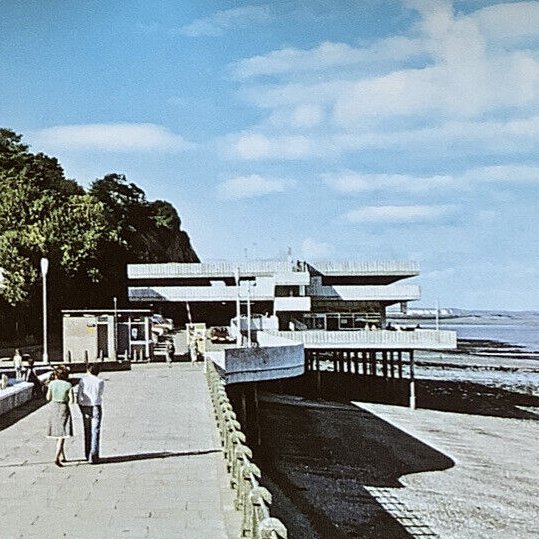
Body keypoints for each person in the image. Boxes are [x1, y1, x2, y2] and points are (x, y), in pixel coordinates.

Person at [46, 365, 74, 467]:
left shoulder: (52, 384)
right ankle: (57, 457)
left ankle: (63, 456)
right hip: (63, 407)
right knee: (62, 433)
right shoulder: (68, 385)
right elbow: (72, 400)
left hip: (53, 407)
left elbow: (48, 397)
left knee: (58, 432)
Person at [77, 363, 105, 464]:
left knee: (87, 430)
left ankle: (87, 453)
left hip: (85, 406)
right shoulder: (100, 381)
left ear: (88, 370)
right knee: (95, 431)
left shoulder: (83, 380)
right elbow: (100, 394)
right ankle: (94, 455)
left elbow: (79, 395)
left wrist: (80, 406)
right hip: (96, 406)